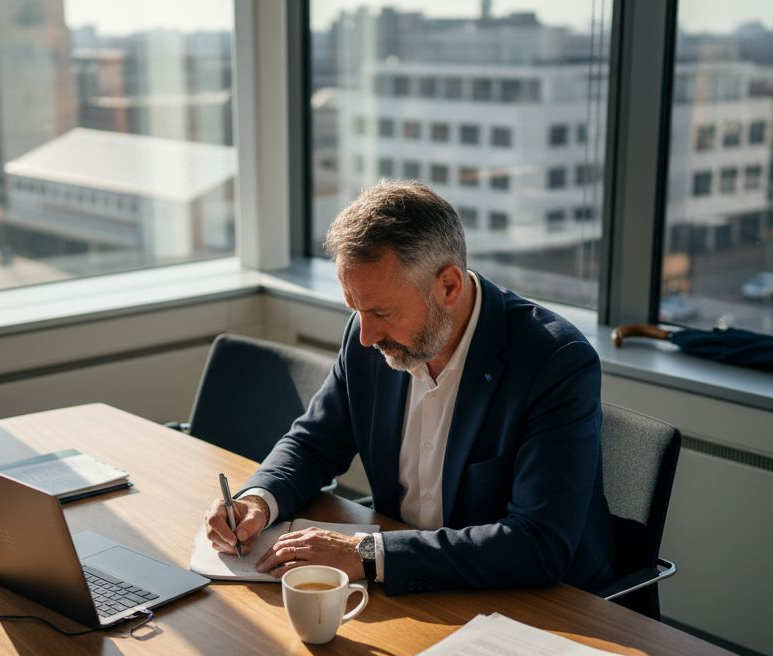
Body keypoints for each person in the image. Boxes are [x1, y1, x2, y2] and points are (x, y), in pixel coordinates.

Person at [204, 180, 614, 595]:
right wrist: (258, 500)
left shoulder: (555, 362)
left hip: (534, 606)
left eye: (381, 311)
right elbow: (313, 443)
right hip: (410, 590)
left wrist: (367, 553)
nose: (365, 335)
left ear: (449, 287)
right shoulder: (370, 337)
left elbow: (537, 545)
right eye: (356, 309)